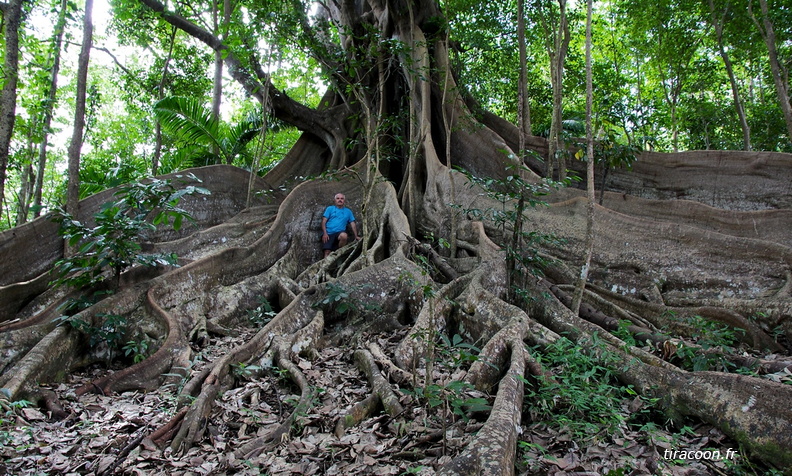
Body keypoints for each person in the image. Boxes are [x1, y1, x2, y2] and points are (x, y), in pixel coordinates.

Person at [321, 193, 360, 257]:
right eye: (338, 198)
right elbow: (323, 221)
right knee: (327, 252)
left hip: (339, 233)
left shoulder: (348, 211)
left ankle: (339, 252)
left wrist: (356, 236)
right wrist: (325, 233)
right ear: (335, 200)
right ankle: (327, 266)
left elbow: (353, 224)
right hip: (329, 233)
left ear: (344, 200)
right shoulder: (330, 209)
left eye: (342, 198)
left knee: (344, 236)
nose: (340, 200)